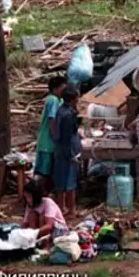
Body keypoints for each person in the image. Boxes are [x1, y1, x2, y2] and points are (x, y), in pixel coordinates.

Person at [53, 86, 82, 217]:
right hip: (68, 151)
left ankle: (61, 208)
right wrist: (71, 154)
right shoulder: (68, 115)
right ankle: (71, 209)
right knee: (70, 182)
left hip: (61, 150)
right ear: (73, 99)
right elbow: (67, 136)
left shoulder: (61, 111)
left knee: (61, 180)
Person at [35, 76, 66, 190]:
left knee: (50, 168)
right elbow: (51, 119)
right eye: (63, 88)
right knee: (44, 170)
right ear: (55, 89)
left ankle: (47, 190)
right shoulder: (52, 99)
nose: (64, 91)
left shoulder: (60, 100)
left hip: (51, 141)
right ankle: (41, 192)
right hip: (47, 141)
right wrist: (55, 136)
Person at [22, 179, 68, 244]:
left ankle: (46, 245)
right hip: (41, 230)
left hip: (58, 229)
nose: (27, 200)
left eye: (29, 197)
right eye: (26, 197)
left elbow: (49, 225)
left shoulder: (47, 202)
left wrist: (34, 232)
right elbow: (25, 223)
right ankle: (35, 241)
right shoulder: (29, 206)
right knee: (31, 215)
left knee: (42, 217)